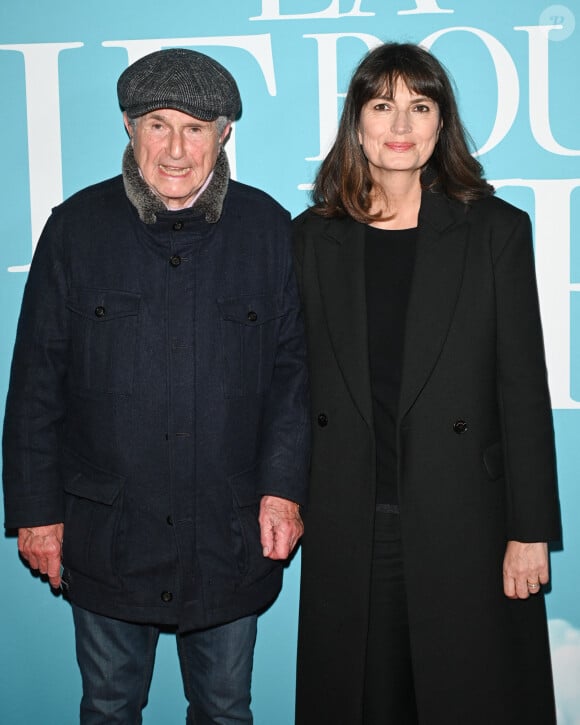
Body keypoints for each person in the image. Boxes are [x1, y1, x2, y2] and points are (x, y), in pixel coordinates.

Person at [2, 47, 309, 724]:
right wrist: (35, 511)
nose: (175, 148)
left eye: (195, 127)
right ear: (128, 127)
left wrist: (283, 489)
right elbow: (36, 383)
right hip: (107, 532)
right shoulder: (75, 230)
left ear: (223, 133)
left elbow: (293, 375)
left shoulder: (267, 231)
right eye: (157, 124)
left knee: (226, 708)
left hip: (229, 535)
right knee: (109, 705)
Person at [293, 42, 560, 725]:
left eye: (420, 105)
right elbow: (287, 386)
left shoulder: (496, 231)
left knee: (470, 700)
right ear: (357, 124)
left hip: (468, 519)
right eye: (381, 106)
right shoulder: (310, 239)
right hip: (356, 523)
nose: (400, 124)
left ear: (443, 123)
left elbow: (522, 387)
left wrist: (530, 530)